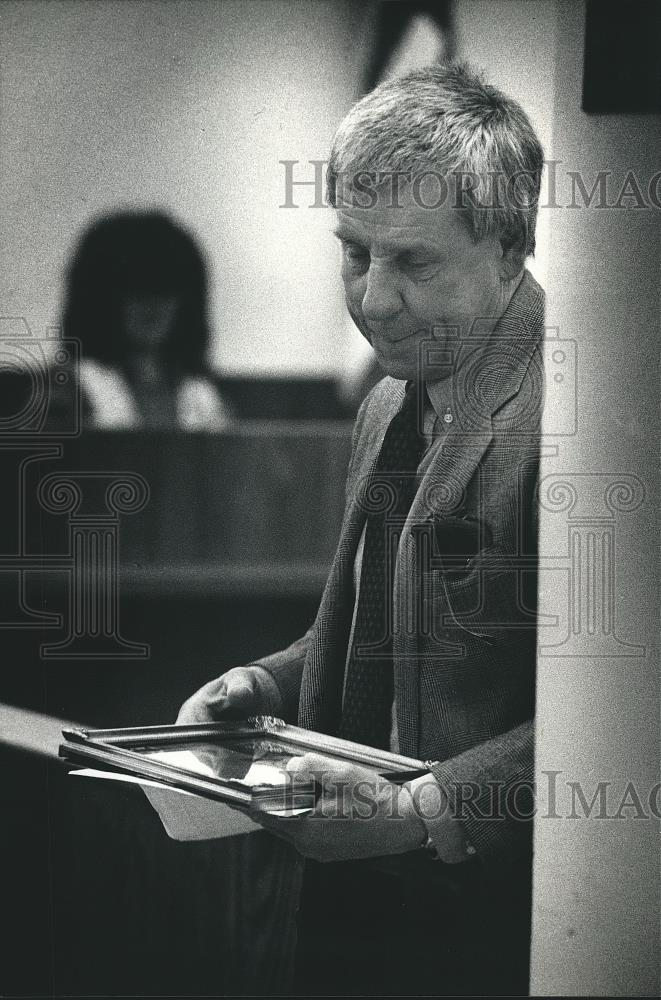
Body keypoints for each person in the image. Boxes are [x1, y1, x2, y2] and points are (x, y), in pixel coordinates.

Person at [179, 63, 544, 996]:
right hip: (358, 906)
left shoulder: (597, 414)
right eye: (354, 252)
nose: (372, 299)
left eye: (413, 262)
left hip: (505, 926)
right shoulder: (387, 402)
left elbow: (626, 715)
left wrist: (422, 810)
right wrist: (267, 680)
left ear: (508, 246)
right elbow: (397, 634)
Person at [58, 210, 232, 430]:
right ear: (100, 298)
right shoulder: (75, 388)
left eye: (167, 287)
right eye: (135, 288)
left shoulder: (200, 395)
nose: (153, 305)